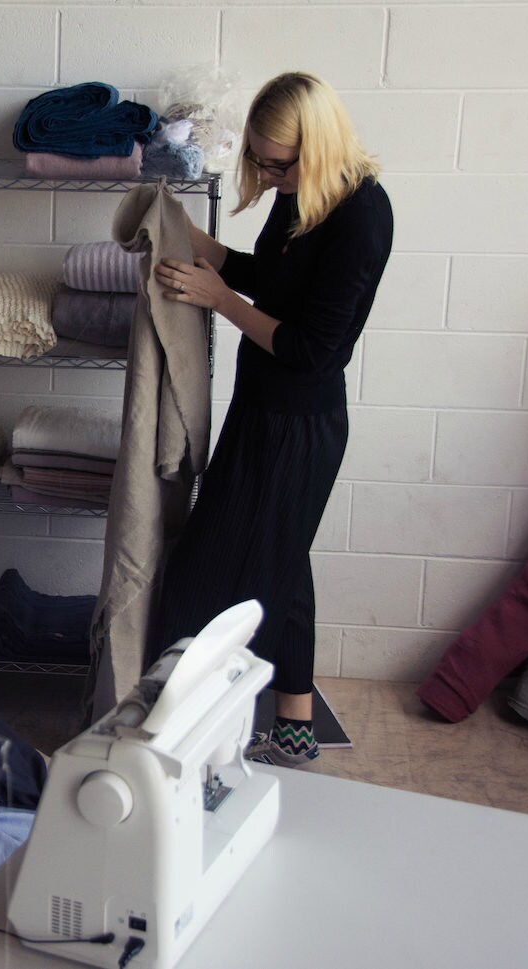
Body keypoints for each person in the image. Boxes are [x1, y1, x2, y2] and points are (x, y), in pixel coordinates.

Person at [149, 72, 393, 767]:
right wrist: (202, 246)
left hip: (300, 424)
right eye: (258, 159)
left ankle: (173, 715)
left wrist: (217, 297)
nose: (266, 173)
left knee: (206, 564)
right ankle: (293, 717)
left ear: (316, 148)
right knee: (287, 557)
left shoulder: (364, 216)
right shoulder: (301, 195)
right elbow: (275, 279)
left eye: (276, 162)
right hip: (262, 410)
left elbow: (314, 348)